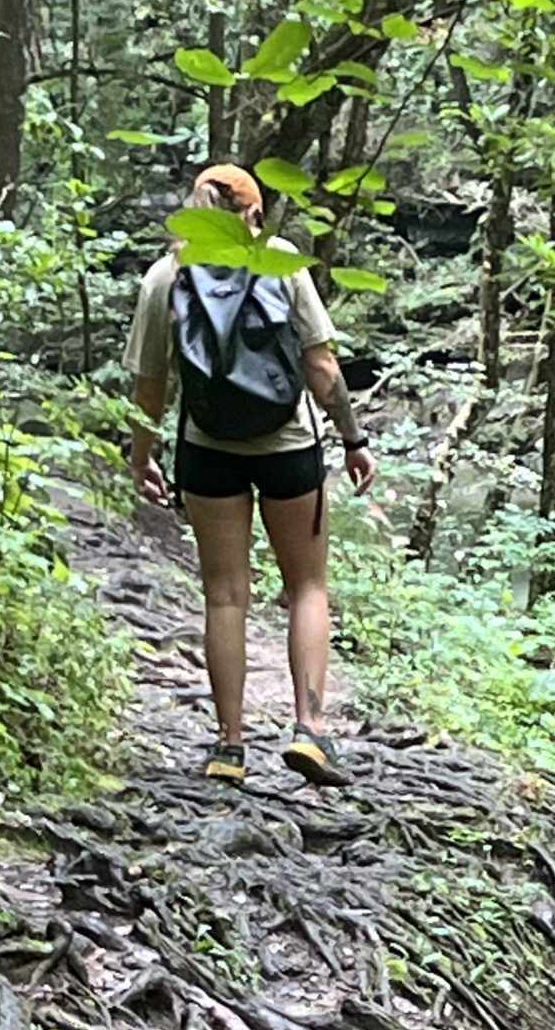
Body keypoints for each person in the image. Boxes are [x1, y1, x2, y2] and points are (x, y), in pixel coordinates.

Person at [125, 164, 375, 789]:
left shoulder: (166, 276)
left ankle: (229, 746)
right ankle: (310, 731)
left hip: (208, 449)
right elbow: (321, 367)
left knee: (225, 595)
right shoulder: (281, 261)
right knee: (309, 587)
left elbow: (151, 383)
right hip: (289, 444)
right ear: (255, 216)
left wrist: (142, 454)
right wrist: (352, 438)